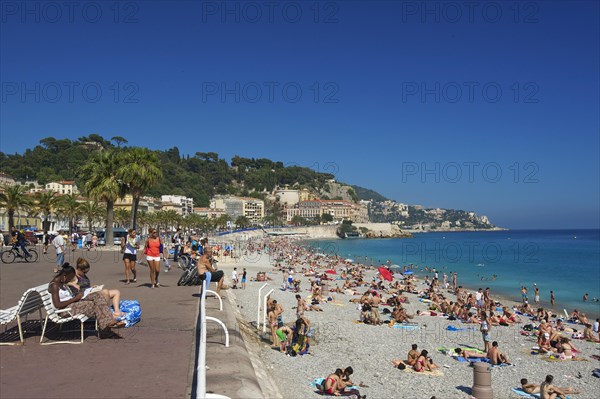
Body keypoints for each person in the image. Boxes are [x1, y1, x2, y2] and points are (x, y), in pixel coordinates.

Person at [49, 264, 125, 331]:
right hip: (65, 311)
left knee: (97, 295)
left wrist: (79, 295)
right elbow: (57, 305)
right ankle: (107, 327)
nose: (70, 281)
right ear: (64, 275)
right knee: (96, 305)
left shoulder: (62, 282)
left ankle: (108, 323)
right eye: (70, 278)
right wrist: (75, 299)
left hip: (72, 305)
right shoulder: (54, 285)